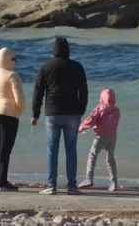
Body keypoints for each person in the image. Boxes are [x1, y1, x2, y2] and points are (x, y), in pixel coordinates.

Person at [32, 37, 89, 195]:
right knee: (71, 150)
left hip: (52, 114)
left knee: (52, 150)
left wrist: (35, 114)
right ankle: (72, 186)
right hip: (72, 114)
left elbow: (38, 92)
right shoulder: (77, 67)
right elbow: (83, 91)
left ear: (53, 52)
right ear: (68, 51)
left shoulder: (46, 67)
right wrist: (81, 110)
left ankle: (51, 185)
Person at [0, 47, 26, 192]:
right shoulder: (13, 75)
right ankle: (2, 183)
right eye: (13, 59)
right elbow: (19, 99)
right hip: (9, 115)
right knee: (5, 149)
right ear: (9, 60)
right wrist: (20, 110)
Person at [78, 88, 121, 191]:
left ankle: (89, 179)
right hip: (112, 137)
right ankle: (114, 183)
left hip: (100, 136)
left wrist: (80, 128)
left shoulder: (100, 108)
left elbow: (90, 120)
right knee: (110, 160)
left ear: (102, 98)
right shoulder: (116, 110)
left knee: (92, 156)